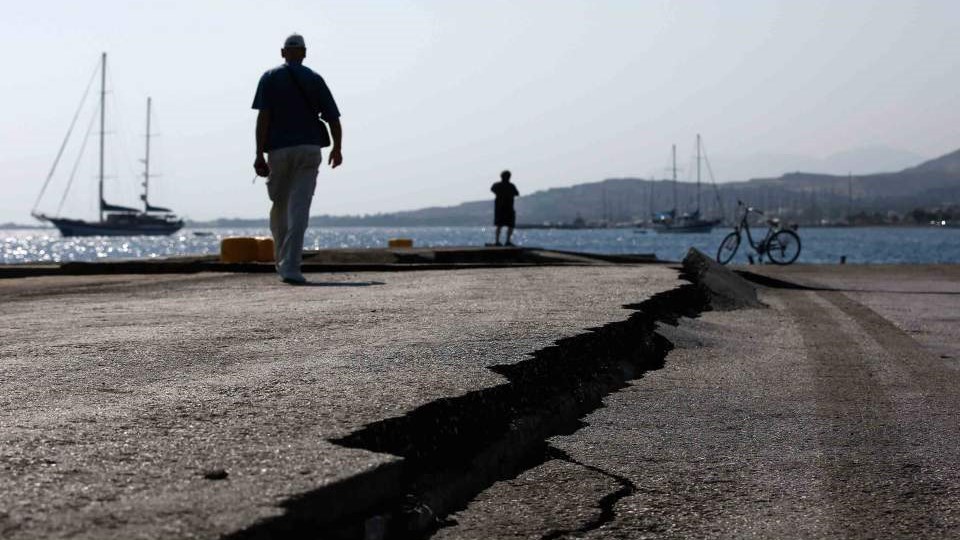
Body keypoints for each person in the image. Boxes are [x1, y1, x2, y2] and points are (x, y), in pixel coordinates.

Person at [252, 33, 343, 285]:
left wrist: (259, 153)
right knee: (300, 207)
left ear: (283, 53)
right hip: (309, 149)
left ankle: (282, 261)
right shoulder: (314, 79)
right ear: (304, 53)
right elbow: (333, 119)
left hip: (279, 151)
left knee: (279, 206)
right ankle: (291, 266)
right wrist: (337, 148)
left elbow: (263, 119)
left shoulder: (269, 78)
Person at [491, 170, 519, 246]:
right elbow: (517, 193)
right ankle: (507, 241)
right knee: (510, 225)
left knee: (499, 225)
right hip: (508, 208)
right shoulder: (511, 186)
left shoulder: (497, 185)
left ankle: (497, 241)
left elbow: (492, 190)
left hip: (500, 208)